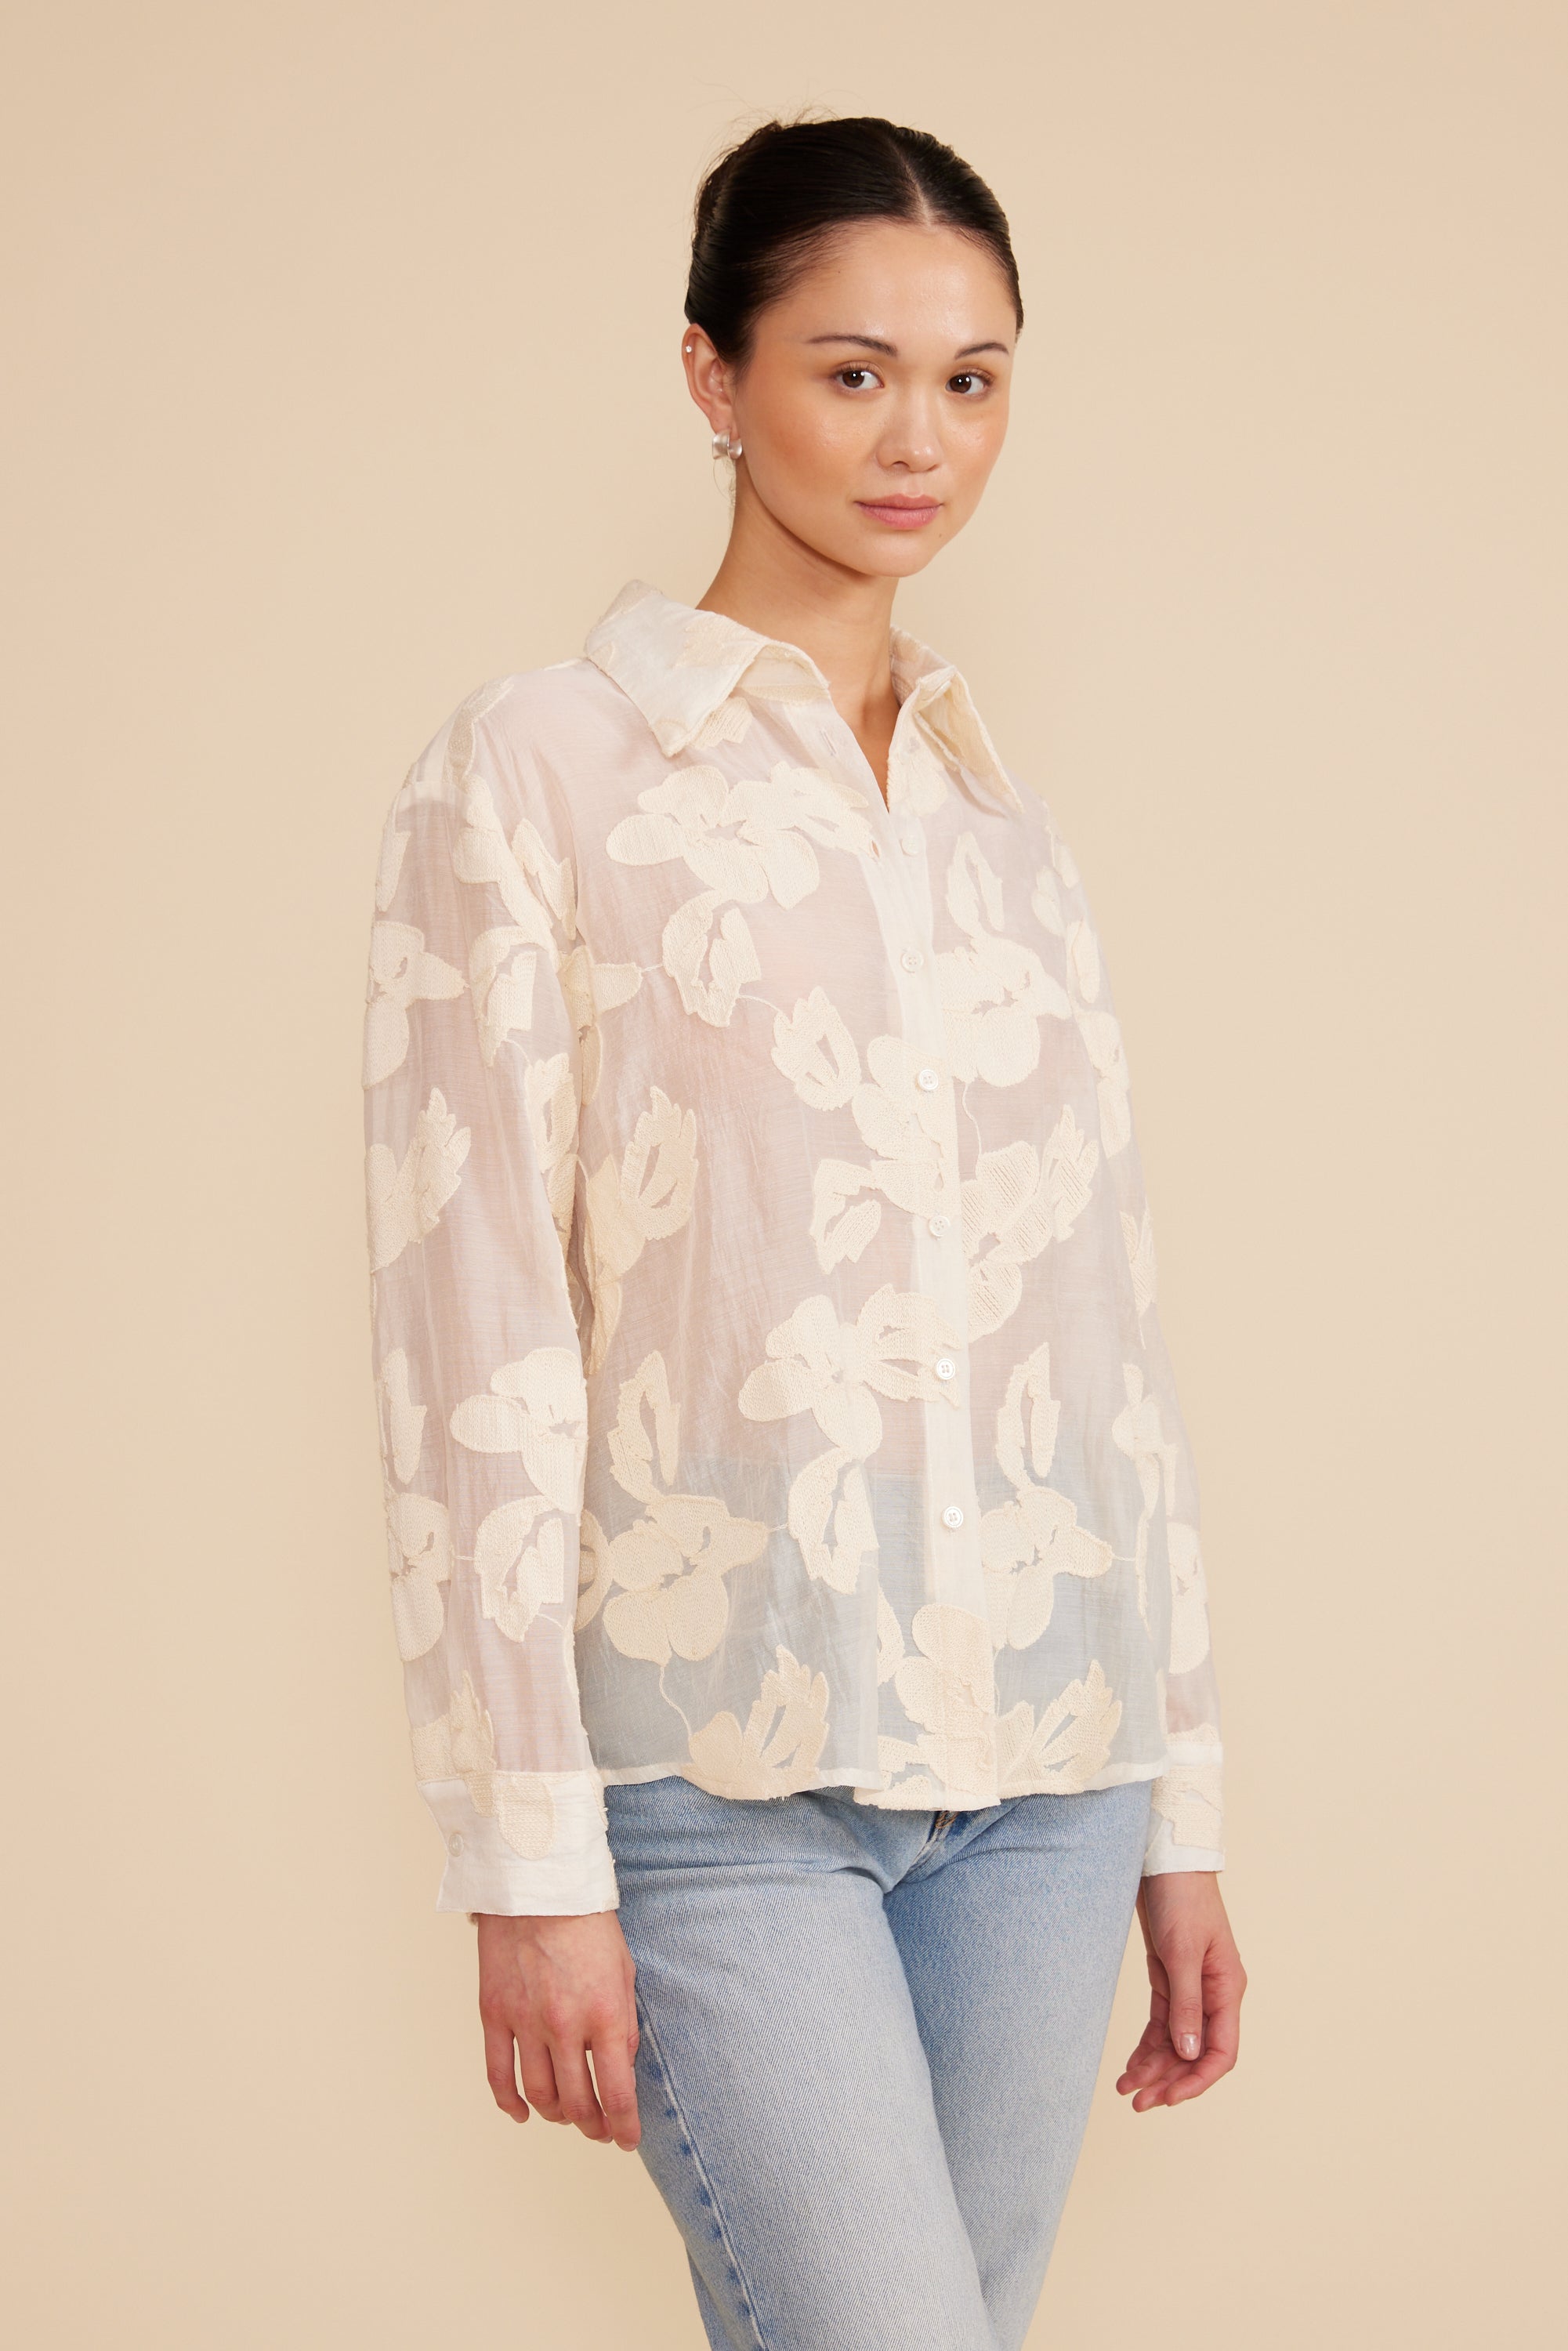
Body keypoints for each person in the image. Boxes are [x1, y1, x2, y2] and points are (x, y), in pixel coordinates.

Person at [363, 112, 1245, 2351]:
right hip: (715, 1782)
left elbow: (1105, 1336)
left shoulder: (998, 823)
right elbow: (476, 1335)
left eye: (972, 379)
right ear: (712, 374)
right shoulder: (537, 771)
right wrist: (525, 1858)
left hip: (1052, 1776)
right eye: (852, 372)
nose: (918, 438)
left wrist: (1181, 1802)